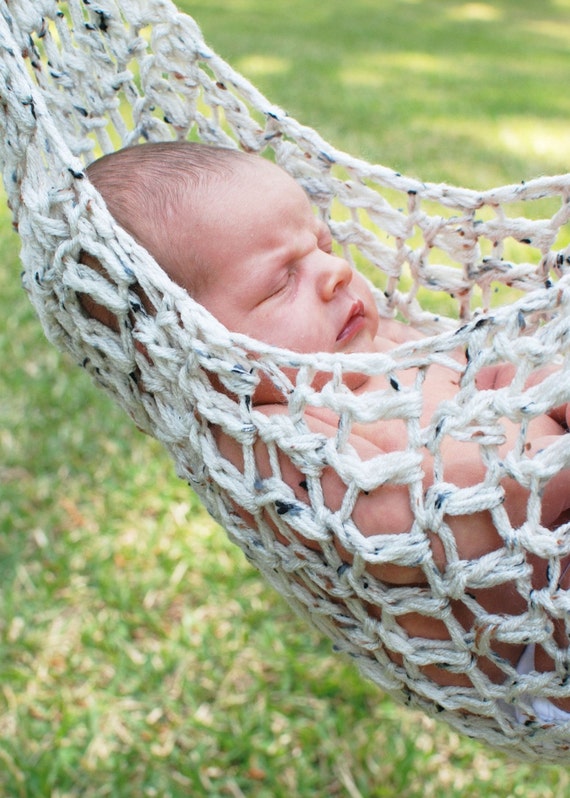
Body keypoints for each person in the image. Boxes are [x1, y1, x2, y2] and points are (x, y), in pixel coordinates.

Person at [85, 141, 570, 720]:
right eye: (281, 281)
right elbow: (401, 525)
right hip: (531, 642)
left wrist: (548, 384)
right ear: (191, 347)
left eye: (322, 246)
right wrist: (552, 461)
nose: (336, 272)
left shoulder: (376, 342)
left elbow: (488, 371)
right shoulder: (265, 439)